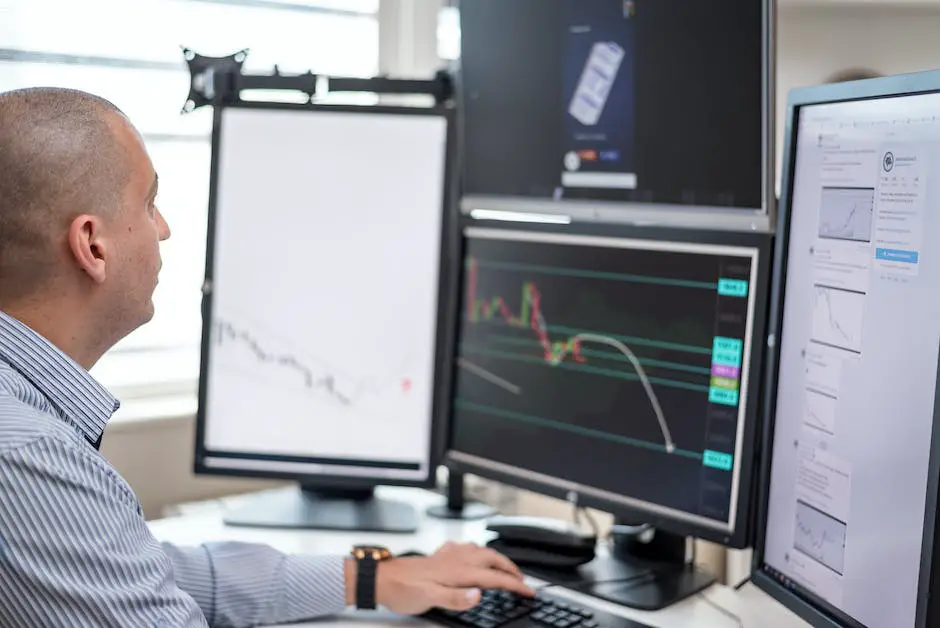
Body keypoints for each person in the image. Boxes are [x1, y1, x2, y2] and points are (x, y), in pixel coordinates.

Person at [0, 87, 534, 627]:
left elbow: (147, 573)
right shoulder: (30, 456)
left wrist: (370, 578)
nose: (163, 228)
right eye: (149, 203)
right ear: (92, 246)